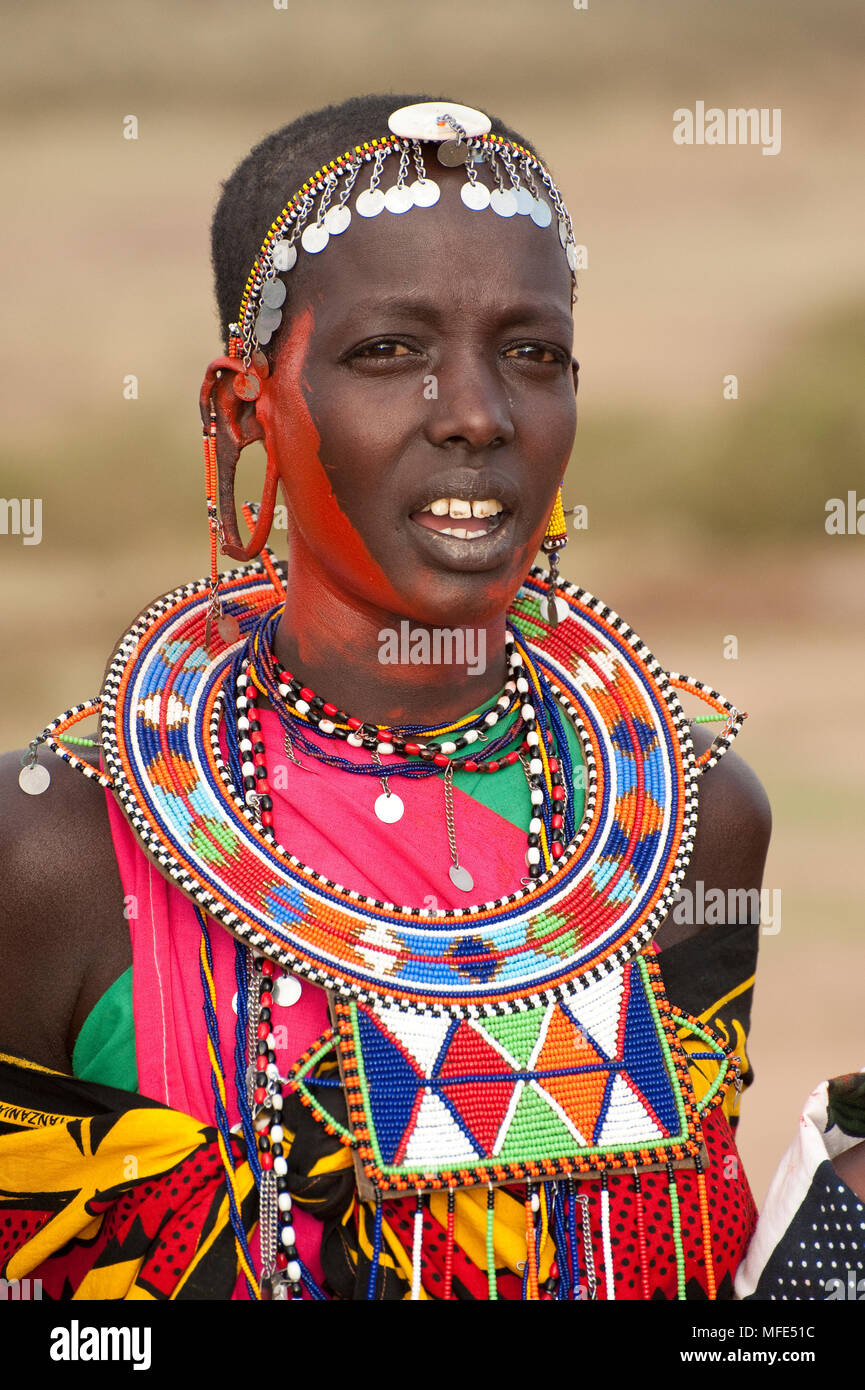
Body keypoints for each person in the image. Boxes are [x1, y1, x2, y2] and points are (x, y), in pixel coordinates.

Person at [0, 92, 860, 1302]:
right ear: (246, 404)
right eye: (387, 352)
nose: (475, 412)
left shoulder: (691, 816)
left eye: (532, 352)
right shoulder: (58, 848)